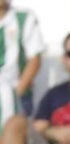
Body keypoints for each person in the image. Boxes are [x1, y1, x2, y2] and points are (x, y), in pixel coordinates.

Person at [0, 0, 44, 128]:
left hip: (16, 95)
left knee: (13, 141)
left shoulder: (24, 18)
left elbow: (35, 59)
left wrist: (17, 93)